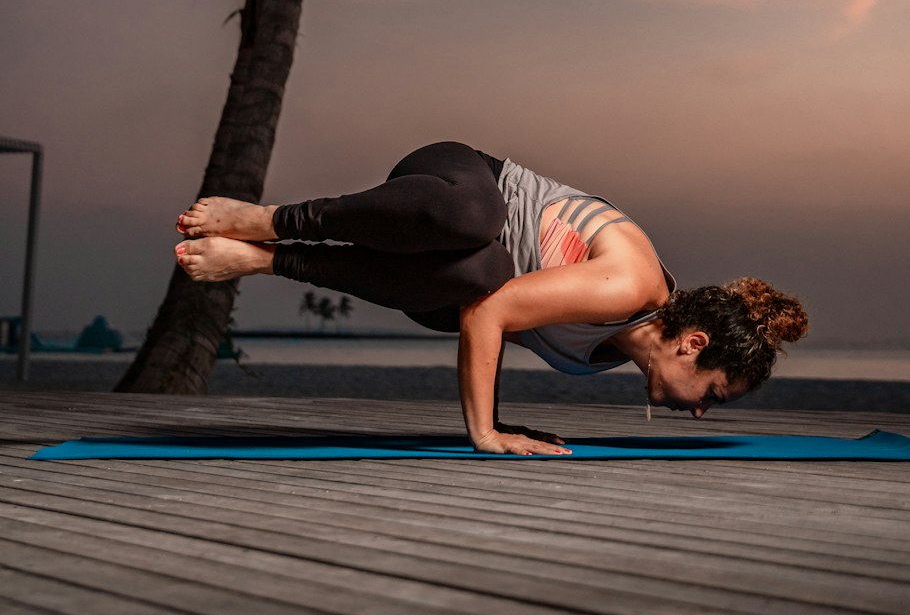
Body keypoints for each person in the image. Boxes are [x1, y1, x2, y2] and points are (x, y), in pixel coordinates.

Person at [174, 140, 808, 455]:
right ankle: (275, 223)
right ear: (693, 345)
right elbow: (493, 313)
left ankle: (268, 261)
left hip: (433, 278)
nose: (702, 412)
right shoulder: (633, 287)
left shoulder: (605, 356)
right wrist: (487, 431)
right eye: (714, 394)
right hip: (449, 189)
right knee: (482, 238)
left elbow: (481, 304)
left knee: (481, 273)